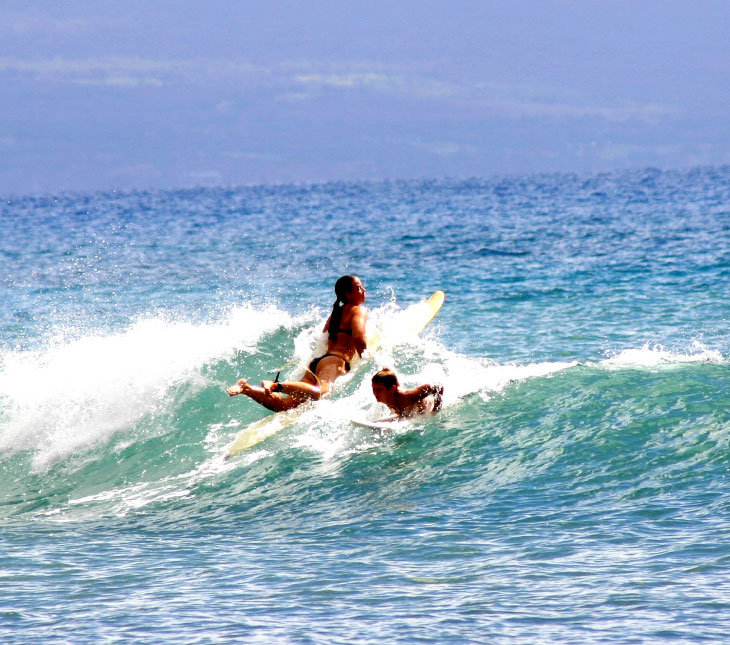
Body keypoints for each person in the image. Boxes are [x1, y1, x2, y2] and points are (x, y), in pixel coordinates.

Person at [226, 276, 368, 411]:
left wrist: (319, 363)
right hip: (335, 361)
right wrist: (367, 359)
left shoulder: (335, 313)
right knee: (323, 391)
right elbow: (358, 337)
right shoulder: (359, 310)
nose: (364, 290)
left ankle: (246, 388)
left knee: (286, 405)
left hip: (319, 362)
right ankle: (276, 386)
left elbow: (324, 338)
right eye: (359, 288)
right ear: (348, 294)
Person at [370, 368, 443, 418]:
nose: (375, 393)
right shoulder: (386, 396)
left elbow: (438, 386)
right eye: (373, 388)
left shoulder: (407, 396)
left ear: (392, 389)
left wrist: (435, 411)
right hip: (406, 411)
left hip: (427, 405)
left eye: (379, 389)